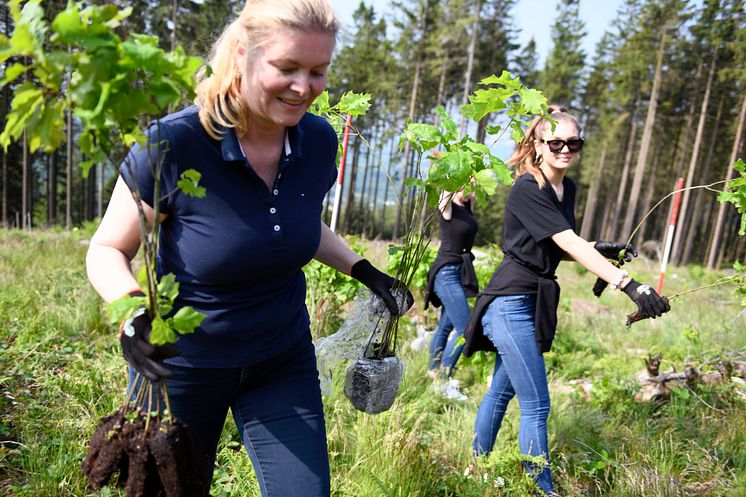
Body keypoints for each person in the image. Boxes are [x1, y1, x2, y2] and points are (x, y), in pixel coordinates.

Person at [85, 2, 411, 496]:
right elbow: (107, 248)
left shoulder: (318, 141)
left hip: (282, 360)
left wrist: (363, 269)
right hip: (182, 367)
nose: (304, 87)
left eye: (318, 71)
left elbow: (293, 222)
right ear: (242, 55)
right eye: (287, 68)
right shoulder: (173, 144)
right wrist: (133, 313)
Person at [462, 105, 669, 496]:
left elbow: (560, 243)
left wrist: (601, 253)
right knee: (537, 405)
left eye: (573, 143)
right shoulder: (528, 187)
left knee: (501, 392)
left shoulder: (566, 188)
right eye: (555, 142)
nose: (564, 149)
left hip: (535, 300)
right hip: (509, 302)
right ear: (537, 145)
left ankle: (476, 471)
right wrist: (629, 285)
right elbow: (566, 240)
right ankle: (542, 490)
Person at [423, 189, 479, 400]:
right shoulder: (448, 207)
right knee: (466, 328)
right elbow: (446, 194)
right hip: (445, 273)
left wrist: (471, 197)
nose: (472, 187)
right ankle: (442, 378)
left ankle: (433, 370)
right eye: (469, 182)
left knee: (446, 326)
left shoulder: (466, 206)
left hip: (459, 273)